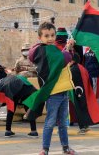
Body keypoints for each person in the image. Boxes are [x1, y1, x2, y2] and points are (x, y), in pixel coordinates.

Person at [29, 22, 76, 155]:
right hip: (54, 93)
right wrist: (68, 50)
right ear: (40, 37)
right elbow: (63, 59)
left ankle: (65, 147)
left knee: (62, 123)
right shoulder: (44, 50)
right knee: (50, 122)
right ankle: (45, 149)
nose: (50, 38)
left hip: (63, 92)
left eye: (52, 35)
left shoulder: (52, 51)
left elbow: (61, 58)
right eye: (46, 36)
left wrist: (68, 48)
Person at [0, 71, 41, 138]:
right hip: (24, 88)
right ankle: (33, 131)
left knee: (11, 110)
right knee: (28, 108)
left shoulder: (0, 83)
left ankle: (8, 131)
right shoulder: (14, 77)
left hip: (12, 89)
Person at [83, 48, 99, 127]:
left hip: (96, 77)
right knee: (89, 99)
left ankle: (97, 120)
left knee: (96, 98)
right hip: (87, 77)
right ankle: (91, 118)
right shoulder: (86, 51)